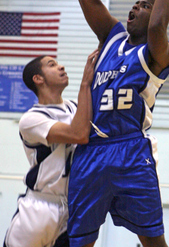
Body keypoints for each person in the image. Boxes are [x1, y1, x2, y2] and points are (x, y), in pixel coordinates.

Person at [67, 0, 169, 247]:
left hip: (131, 152)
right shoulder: (112, 38)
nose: (136, 7)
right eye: (135, 4)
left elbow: (159, 26)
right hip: (91, 151)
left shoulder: (156, 53)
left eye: (145, 5)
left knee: (152, 239)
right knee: (79, 242)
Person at [3, 49, 99, 247]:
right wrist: (85, 83)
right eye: (52, 65)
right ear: (38, 78)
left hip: (73, 207)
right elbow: (78, 134)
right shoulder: (31, 118)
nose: (61, 66)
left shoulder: (75, 107)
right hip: (39, 208)